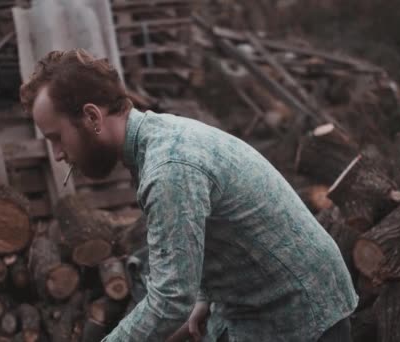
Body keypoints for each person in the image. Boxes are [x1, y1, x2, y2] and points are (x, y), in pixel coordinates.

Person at [20, 49, 358, 342]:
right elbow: (207, 235)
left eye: (56, 138)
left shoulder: (169, 167)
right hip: (256, 305)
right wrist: (205, 297)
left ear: (92, 116)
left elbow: (169, 301)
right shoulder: (159, 137)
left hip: (301, 314)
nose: (58, 153)